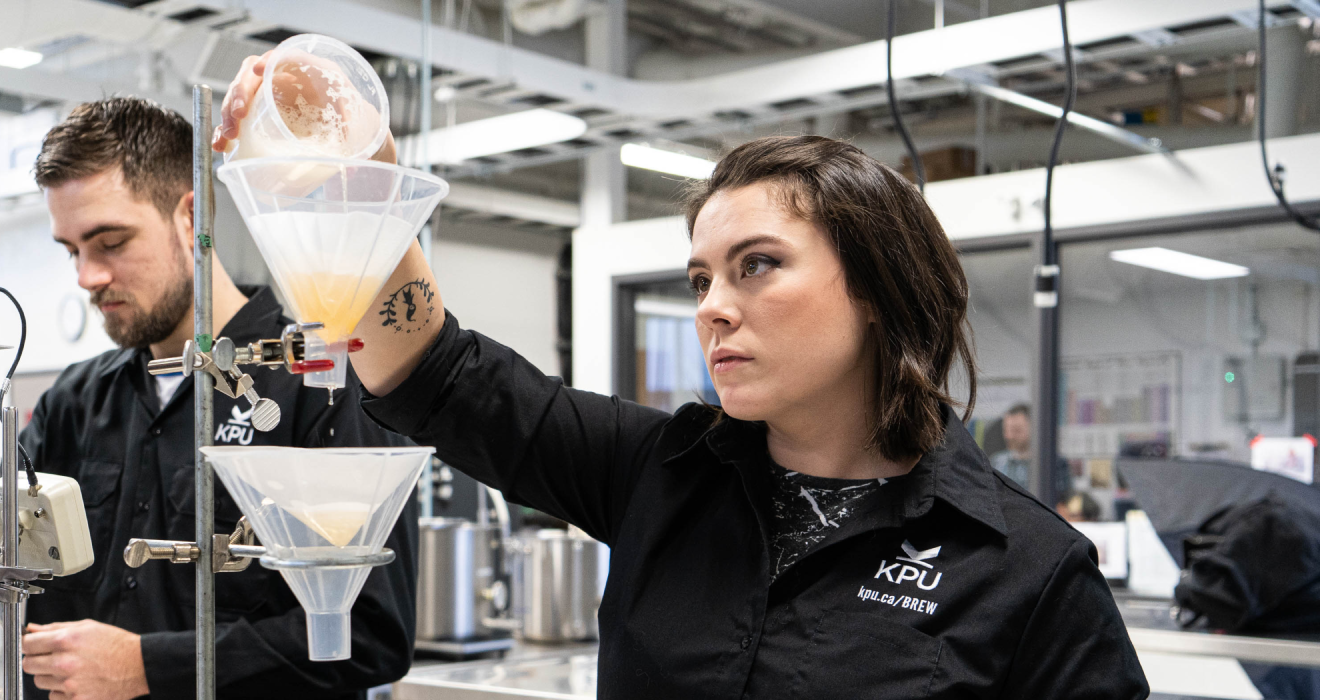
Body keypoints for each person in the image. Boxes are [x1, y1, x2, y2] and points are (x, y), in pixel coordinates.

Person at [217, 58, 1147, 697]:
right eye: (702, 277)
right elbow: (442, 375)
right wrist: (353, 180)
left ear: (876, 289)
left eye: (757, 265)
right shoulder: (658, 472)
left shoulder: (1027, 571)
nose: (711, 305)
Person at [0, 96, 416, 700]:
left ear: (192, 217)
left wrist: (149, 665)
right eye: (71, 249)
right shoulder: (79, 399)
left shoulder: (319, 383)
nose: (87, 277)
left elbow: (370, 634)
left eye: (111, 242)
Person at [991, 403, 1034, 488]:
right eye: (1006, 430)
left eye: (1016, 430)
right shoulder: (997, 462)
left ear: (1033, 429)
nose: (1009, 436)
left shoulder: (1049, 464)